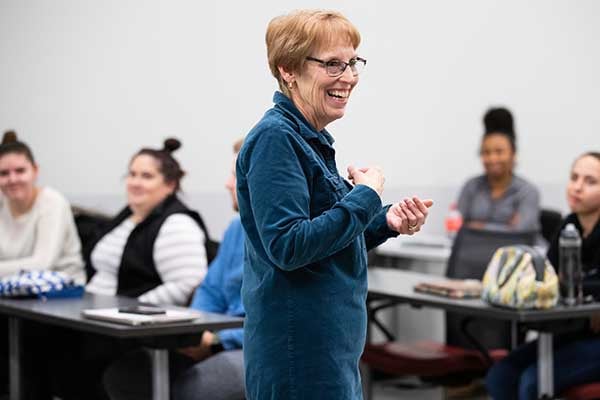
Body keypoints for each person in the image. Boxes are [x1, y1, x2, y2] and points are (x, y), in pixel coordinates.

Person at [236, 10, 433, 400]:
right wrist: (366, 196)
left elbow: (326, 236)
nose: (348, 77)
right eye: (332, 64)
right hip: (300, 353)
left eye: (352, 63)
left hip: (328, 350)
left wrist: (384, 221)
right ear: (288, 69)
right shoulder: (277, 139)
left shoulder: (309, 138)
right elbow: (290, 246)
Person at [102, 138, 246, 400]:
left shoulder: (288, 237)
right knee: (126, 374)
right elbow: (210, 290)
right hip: (216, 337)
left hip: (254, 347)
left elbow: (283, 322)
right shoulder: (236, 229)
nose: (227, 184)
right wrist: (197, 332)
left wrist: (217, 341)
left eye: (234, 177)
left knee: (190, 389)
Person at [485, 152, 600, 400]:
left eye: (590, 181)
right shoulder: (567, 226)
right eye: (574, 178)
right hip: (571, 331)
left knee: (532, 382)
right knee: (500, 375)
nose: (577, 187)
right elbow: (547, 282)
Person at [85, 137, 208, 305]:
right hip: (94, 311)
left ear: (170, 185)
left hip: (131, 323)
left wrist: (132, 309)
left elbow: (186, 284)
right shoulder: (126, 216)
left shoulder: (178, 224)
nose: (135, 183)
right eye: (132, 174)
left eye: (147, 176)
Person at [0, 130, 84, 282]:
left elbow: (43, 263)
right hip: (11, 288)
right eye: (4, 173)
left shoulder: (52, 203)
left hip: (62, 291)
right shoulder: (2, 203)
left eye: (20, 171)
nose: (12, 179)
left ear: (35, 170)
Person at [457, 107, 541, 232]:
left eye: (499, 152)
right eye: (486, 152)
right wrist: (506, 227)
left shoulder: (527, 192)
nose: (492, 158)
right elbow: (457, 227)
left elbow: (520, 231)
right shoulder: (471, 187)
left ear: (513, 154)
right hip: (476, 250)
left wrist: (478, 226)